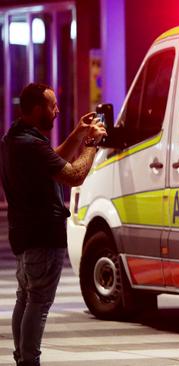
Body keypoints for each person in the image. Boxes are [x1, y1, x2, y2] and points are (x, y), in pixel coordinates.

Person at [0, 83, 107, 366]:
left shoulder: (14, 138)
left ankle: (22, 357)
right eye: (52, 106)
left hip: (24, 235)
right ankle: (29, 360)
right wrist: (92, 144)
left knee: (25, 299)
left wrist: (77, 133)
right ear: (37, 109)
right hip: (43, 236)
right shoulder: (31, 145)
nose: (57, 111)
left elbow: (52, 161)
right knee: (38, 303)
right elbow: (73, 175)